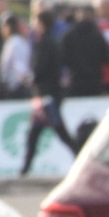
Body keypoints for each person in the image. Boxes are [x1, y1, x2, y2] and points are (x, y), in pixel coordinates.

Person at [20, 10, 80, 175]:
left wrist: (30, 78)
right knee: (36, 134)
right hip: (48, 95)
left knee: (60, 133)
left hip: (47, 96)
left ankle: (82, 159)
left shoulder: (44, 43)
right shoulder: (53, 42)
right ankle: (25, 168)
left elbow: (40, 68)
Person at [60, 5, 109, 98]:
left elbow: (63, 59)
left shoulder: (68, 36)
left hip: (75, 81)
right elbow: (107, 59)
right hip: (95, 82)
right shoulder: (98, 35)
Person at [0, 13, 34, 98]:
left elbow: (17, 65)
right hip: (24, 84)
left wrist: (3, 79)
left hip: (16, 87)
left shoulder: (13, 43)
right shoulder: (23, 41)